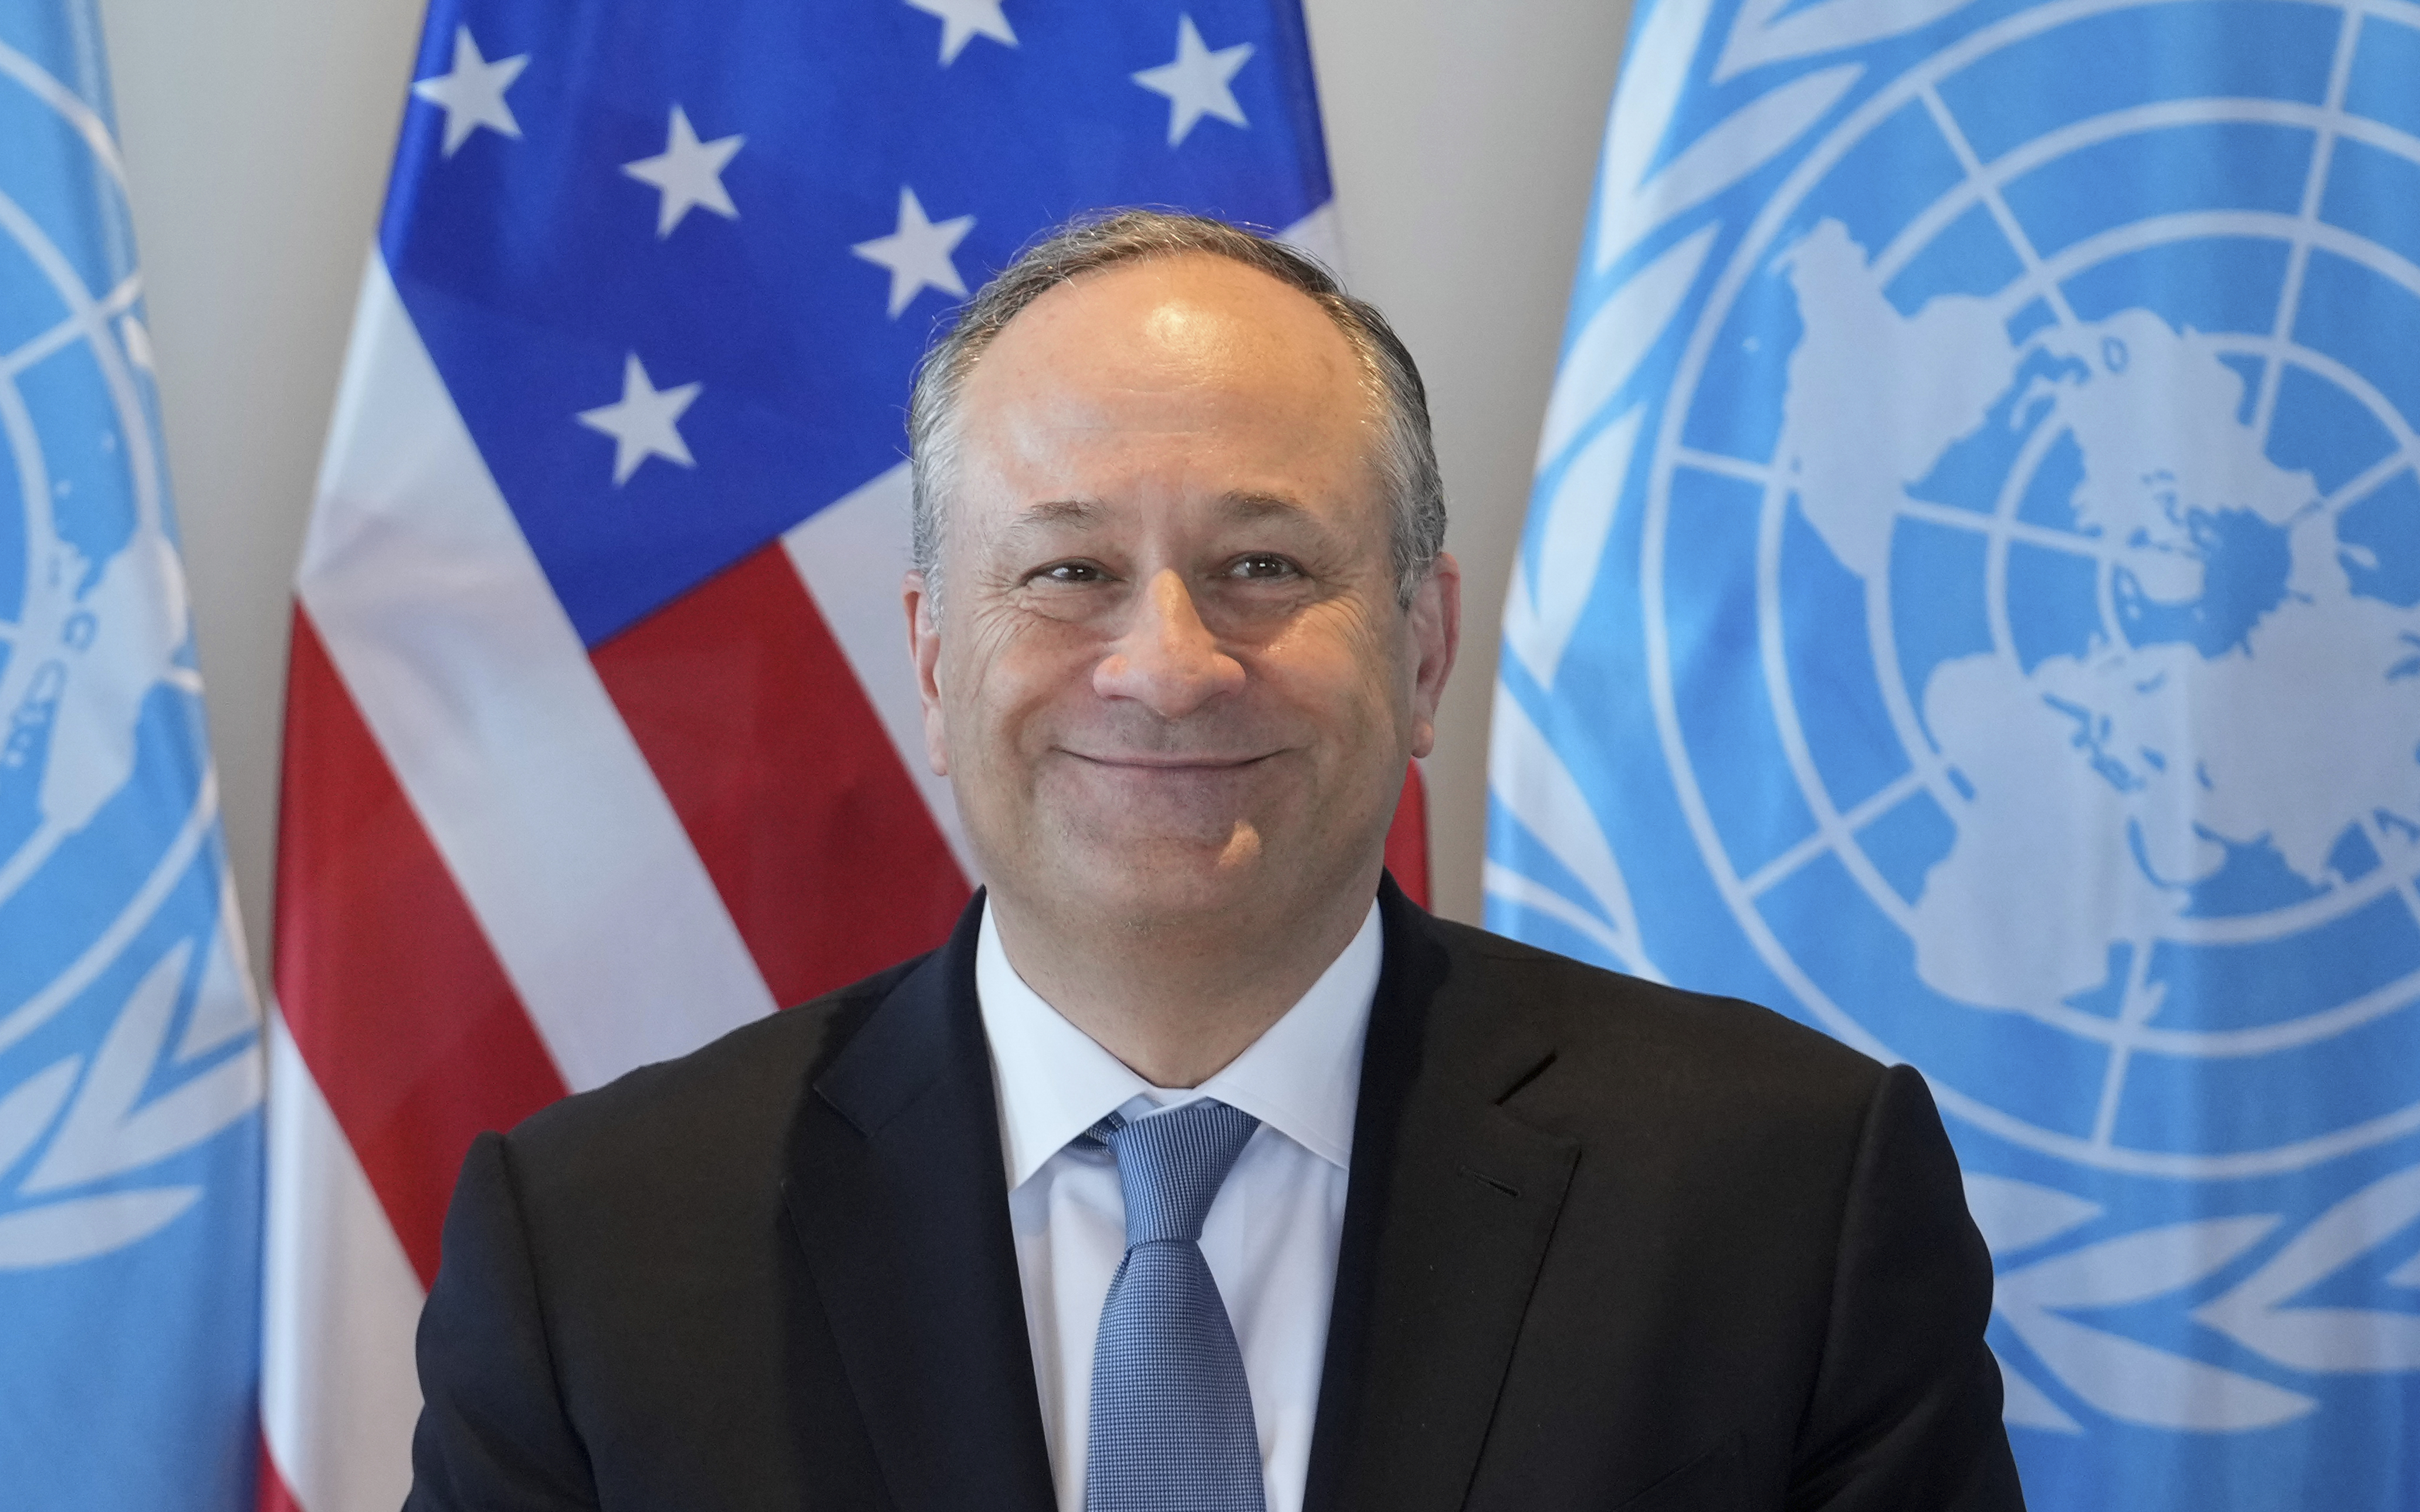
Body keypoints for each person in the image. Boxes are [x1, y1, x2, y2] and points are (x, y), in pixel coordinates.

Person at [404, 211, 2025, 1512]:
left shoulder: (1790, 1197)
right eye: (1069, 570)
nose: (1167, 665)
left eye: (1264, 564)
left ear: (1424, 644)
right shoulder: (592, 1251)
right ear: (929, 660)